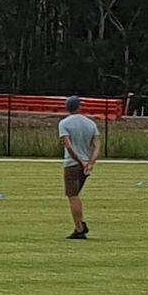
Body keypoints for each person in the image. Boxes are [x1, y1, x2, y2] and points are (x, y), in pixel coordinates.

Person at [55, 95, 100, 238]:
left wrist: (81, 161)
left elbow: (69, 146)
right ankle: (80, 224)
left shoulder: (64, 123)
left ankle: (79, 228)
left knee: (72, 196)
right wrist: (90, 162)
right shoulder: (90, 123)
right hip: (85, 165)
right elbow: (96, 145)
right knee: (76, 195)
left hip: (72, 164)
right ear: (79, 107)